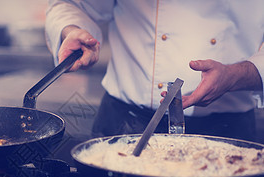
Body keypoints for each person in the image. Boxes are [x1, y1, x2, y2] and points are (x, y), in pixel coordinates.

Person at [45, 0, 264, 141]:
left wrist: (238, 75)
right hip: (123, 124)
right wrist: (72, 29)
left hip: (224, 133)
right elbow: (73, 4)